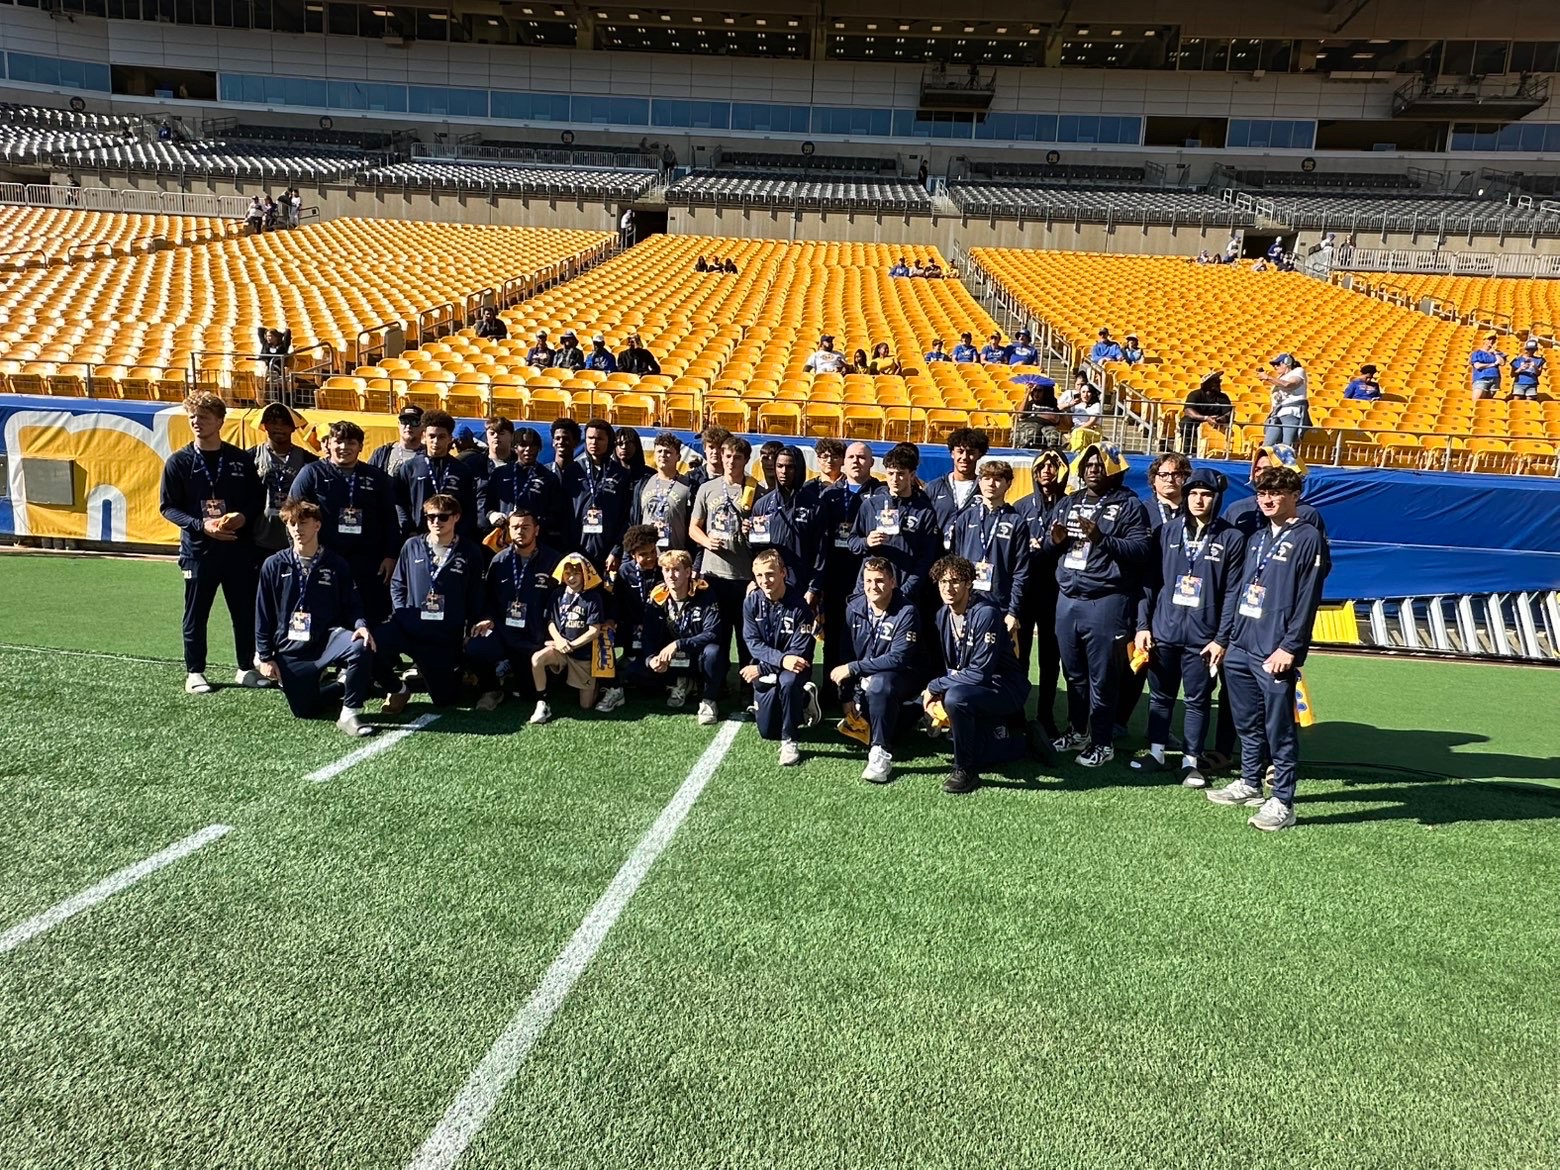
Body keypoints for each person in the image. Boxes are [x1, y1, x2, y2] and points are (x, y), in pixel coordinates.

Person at [1207, 466, 1325, 832]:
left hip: (1274, 648)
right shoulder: (1257, 537)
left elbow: (1308, 598)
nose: (1267, 499)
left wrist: (1290, 647)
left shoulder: (1308, 537)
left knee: (1278, 728)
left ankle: (1283, 801)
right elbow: (1241, 590)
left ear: (1295, 496)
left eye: (1276, 493)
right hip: (1242, 644)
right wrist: (1226, 639)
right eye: (1262, 493)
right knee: (1246, 721)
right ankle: (1249, 782)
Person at [1129, 469, 1245, 787]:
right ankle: (1156, 754)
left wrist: (1221, 639)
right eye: (1193, 493)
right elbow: (1149, 583)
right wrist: (1143, 625)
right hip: (1163, 631)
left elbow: (1233, 594)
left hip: (1203, 638)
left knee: (1197, 700)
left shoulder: (1232, 538)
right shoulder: (1167, 532)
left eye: (1205, 494)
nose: (1198, 500)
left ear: (1216, 498)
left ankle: (1191, 762)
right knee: (1160, 696)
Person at [1047, 442, 1153, 766]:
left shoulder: (1129, 505)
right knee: (1073, 673)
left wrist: (1102, 539)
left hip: (1105, 600)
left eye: (1100, 464)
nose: (1093, 469)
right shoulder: (1069, 501)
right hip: (1068, 597)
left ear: (1115, 469)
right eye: (1089, 464)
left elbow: (1141, 551)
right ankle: (1078, 730)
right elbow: (1053, 546)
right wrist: (1056, 542)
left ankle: (1103, 742)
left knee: (1102, 677)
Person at [160, 392, 266, 695]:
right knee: (196, 613)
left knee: (244, 612)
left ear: (220, 421)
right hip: (199, 551)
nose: (197, 422)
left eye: (204, 417)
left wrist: (243, 517)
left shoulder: (239, 459)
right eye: (192, 417)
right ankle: (195, 671)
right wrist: (200, 525)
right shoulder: (179, 462)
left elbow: (257, 498)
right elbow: (168, 507)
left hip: (237, 549)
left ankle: (245, 668)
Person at [253, 499, 376, 737]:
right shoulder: (274, 565)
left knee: (360, 645)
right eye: (291, 524)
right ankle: (341, 685)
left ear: (317, 525)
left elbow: (353, 604)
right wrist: (266, 657)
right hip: (290, 647)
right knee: (305, 710)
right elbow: (263, 613)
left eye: (303, 523)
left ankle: (349, 714)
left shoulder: (336, 563)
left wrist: (361, 625)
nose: (297, 529)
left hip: (326, 639)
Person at [922, 555, 1036, 795]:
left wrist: (936, 686)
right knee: (923, 699)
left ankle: (965, 770)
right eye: (943, 582)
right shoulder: (942, 615)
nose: (948, 588)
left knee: (956, 699)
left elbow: (979, 674)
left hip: (1004, 687)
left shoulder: (986, 613)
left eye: (955, 581)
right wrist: (934, 692)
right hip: (971, 687)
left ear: (969, 584)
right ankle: (1018, 737)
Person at [374, 492, 485, 712]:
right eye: (430, 517)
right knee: (369, 645)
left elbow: (475, 593)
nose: (436, 522)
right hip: (409, 627)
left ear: (456, 517)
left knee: (445, 699)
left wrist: (471, 626)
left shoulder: (470, 551)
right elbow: (397, 583)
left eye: (443, 517)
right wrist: (403, 613)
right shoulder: (412, 545)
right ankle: (398, 689)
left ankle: (454, 673)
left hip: (443, 634)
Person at [291, 421, 400, 625]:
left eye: (351, 442)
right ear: (328, 444)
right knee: (326, 614)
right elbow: (293, 515)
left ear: (360, 447)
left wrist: (390, 555)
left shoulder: (375, 477)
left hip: (368, 561)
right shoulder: (311, 473)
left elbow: (390, 519)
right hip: (324, 557)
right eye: (338, 442)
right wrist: (300, 554)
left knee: (370, 616)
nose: (344, 447)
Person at [830, 556, 920, 783]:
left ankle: (880, 753)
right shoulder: (854, 607)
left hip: (898, 679)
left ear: (892, 582)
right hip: (864, 682)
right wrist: (846, 696)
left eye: (879, 580)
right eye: (868, 581)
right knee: (880, 724)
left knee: (880, 685)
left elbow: (898, 659)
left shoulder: (907, 611)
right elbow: (846, 654)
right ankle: (912, 714)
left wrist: (854, 668)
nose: (873, 586)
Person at [467, 509, 561, 712]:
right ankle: (491, 689)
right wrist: (487, 618)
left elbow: (561, 603)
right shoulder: (499, 561)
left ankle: (512, 668)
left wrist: (555, 635)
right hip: (504, 630)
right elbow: (488, 597)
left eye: (526, 527)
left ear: (536, 530)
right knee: (476, 647)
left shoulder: (553, 560)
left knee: (529, 694)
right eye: (515, 527)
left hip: (536, 635)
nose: (520, 532)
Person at [741, 548, 822, 766]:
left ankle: (790, 741)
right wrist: (771, 665)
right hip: (768, 665)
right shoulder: (751, 602)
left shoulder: (801, 608)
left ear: (783, 573)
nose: (764, 580)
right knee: (767, 731)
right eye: (759, 575)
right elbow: (753, 643)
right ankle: (803, 701)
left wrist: (762, 668)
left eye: (770, 574)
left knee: (789, 682)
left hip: (794, 669)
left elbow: (799, 654)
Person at [690, 435, 758, 676]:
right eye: (728, 456)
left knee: (746, 636)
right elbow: (693, 528)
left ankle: (748, 687)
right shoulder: (707, 488)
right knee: (716, 636)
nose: (731, 461)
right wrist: (707, 541)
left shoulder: (756, 490)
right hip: (713, 574)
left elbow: (765, 534)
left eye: (737, 457)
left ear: (746, 460)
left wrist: (753, 531)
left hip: (744, 576)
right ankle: (716, 686)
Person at [1015, 450, 1069, 738]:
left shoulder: (1071, 505)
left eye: (1054, 465)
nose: (1048, 470)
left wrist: (1051, 545)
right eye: (1042, 466)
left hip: (1057, 593)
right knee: (1019, 657)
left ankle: (1045, 716)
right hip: (1025, 593)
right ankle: (1016, 714)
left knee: (1050, 659)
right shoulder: (1021, 506)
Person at [849, 443, 940, 610]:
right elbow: (852, 541)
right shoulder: (871, 505)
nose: (894, 479)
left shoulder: (924, 511)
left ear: (912, 475)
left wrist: (906, 590)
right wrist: (866, 542)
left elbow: (926, 559)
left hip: (904, 592)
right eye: (890, 473)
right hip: (869, 590)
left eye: (900, 474)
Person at [641, 549, 725, 723]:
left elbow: (712, 633)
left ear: (687, 572)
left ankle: (709, 700)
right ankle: (680, 682)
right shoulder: (657, 595)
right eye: (666, 570)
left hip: (695, 654)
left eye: (676, 570)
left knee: (713, 653)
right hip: (669, 658)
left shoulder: (704, 593)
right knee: (635, 672)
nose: (671, 575)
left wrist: (679, 644)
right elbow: (648, 635)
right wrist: (651, 659)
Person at [818, 440, 880, 675]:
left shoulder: (881, 493)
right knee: (833, 632)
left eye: (862, 457)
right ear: (843, 462)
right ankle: (829, 686)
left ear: (871, 462)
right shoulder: (829, 494)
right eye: (851, 457)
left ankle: (860, 684)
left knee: (865, 632)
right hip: (835, 572)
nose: (856, 461)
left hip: (867, 573)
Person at [528, 553, 613, 723]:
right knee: (537, 659)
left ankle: (598, 684)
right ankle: (542, 701)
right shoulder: (557, 594)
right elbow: (551, 621)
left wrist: (571, 645)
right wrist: (559, 641)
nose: (571, 578)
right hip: (560, 648)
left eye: (576, 573)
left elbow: (594, 630)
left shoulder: (593, 597)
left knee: (586, 705)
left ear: (585, 574)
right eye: (567, 573)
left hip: (583, 654)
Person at [946, 459, 1029, 633]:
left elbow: (1021, 571)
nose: (991, 484)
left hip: (1000, 605)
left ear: (1008, 484)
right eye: (986, 478)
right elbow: (955, 562)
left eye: (997, 479)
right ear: (979, 481)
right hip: (967, 603)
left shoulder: (1016, 522)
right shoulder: (965, 518)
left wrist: (1013, 611)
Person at [749, 444, 826, 601]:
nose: (784, 471)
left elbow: (821, 553)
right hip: (769, 585)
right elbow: (756, 550)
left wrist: (813, 588)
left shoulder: (815, 506)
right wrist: (747, 535)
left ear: (799, 469)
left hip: (801, 587)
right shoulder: (763, 504)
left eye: (790, 467)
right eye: (780, 466)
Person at [395, 410, 479, 542]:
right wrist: (409, 530)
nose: (436, 441)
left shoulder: (462, 470)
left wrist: (461, 535)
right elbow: (400, 503)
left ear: (450, 438)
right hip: (418, 537)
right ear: (424, 437)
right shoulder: (410, 467)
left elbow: (470, 509)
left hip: (453, 539)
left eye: (441, 437)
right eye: (432, 436)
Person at [564, 418, 632, 575]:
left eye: (599, 438)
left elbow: (626, 516)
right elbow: (564, 512)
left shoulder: (620, 474)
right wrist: (568, 548)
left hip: (608, 553)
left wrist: (616, 550)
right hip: (576, 549)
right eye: (590, 438)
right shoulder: (573, 471)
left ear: (609, 441)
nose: (594, 442)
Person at [480, 426, 565, 548]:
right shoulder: (500, 474)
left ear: (539, 448)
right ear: (514, 447)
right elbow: (487, 506)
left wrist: (530, 521)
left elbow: (556, 514)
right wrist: (492, 515)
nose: (528, 450)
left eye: (533, 446)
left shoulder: (548, 477)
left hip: (536, 542)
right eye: (523, 445)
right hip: (504, 541)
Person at [249, 402, 316, 554]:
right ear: (264, 426)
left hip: (295, 538)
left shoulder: (308, 460)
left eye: (285, 423)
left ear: (293, 428)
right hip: (260, 537)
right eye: (273, 422)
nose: (279, 427)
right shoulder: (251, 457)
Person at [633, 432, 694, 552]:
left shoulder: (689, 486)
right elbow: (634, 520)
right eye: (659, 451)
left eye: (668, 452)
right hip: (647, 555)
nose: (663, 455)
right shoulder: (643, 484)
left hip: (675, 555)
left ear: (678, 457)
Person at [926, 426, 989, 539]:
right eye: (960, 451)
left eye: (970, 452)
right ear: (952, 453)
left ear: (979, 455)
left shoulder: (985, 489)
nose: (964, 457)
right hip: (938, 549)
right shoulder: (934, 487)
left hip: (969, 549)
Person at [1259, 353, 1309, 447]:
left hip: (1291, 412)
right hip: (1277, 414)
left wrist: (1268, 377)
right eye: (1274, 365)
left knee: (1286, 444)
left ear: (1287, 363)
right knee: (1268, 445)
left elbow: (1289, 384)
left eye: (1278, 364)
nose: (1275, 367)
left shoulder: (1298, 371)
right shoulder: (1279, 378)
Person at [1179, 372, 1233, 455]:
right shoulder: (1195, 394)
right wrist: (1206, 418)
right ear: (1207, 384)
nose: (1219, 383)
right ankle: (1187, 451)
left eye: (1219, 381)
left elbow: (1228, 413)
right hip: (1198, 419)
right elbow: (1188, 410)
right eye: (1216, 382)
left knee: (1232, 426)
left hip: (1216, 421)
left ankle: (1225, 452)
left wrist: (1220, 419)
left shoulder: (1223, 397)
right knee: (1186, 422)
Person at [369, 405, 424, 477]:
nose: (408, 426)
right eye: (404, 421)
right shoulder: (382, 453)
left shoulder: (429, 456)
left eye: (414, 422)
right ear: (398, 424)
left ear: (423, 426)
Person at [1144, 452, 1190, 531]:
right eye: (1163, 475)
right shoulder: (1142, 510)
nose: (1170, 480)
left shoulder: (1194, 510)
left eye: (1176, 474)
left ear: (1185, 478)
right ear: (1153, 480)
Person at [256, 325, 291, 402]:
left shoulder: (283, 346)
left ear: (276, 337)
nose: (268, 338)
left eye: (271, 336)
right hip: (266, 368)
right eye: (267, 336)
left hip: (277, 369)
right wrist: (267, 332)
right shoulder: (265, 344)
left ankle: (277, 398)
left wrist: (281, 334)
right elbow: (260, 329)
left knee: (273, 376)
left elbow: (287, 332)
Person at [614, 427, 654, 493]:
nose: (624, 447)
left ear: (636, 445)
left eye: (628, 443)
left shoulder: (650, 476)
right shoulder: (608, 475)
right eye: (620, 443)